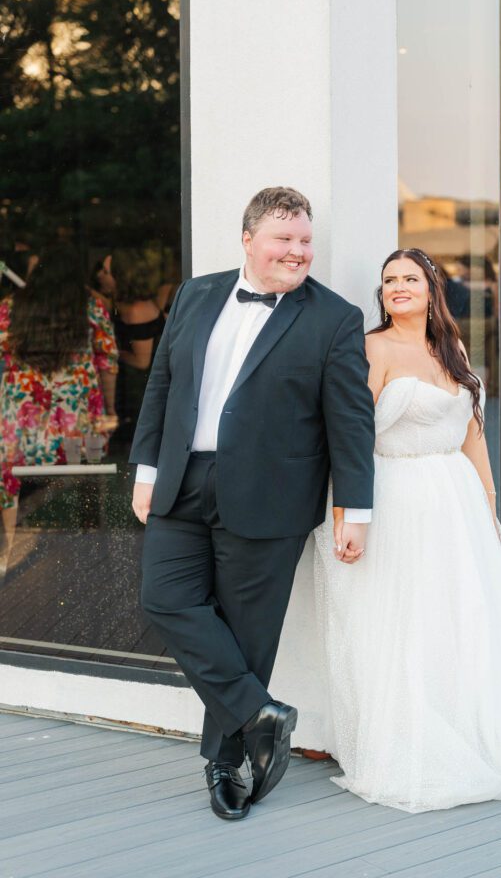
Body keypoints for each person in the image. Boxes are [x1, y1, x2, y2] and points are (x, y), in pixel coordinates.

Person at [314, 247, 501, 813]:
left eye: (410, 278)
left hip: (454, 499)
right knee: (405, 619)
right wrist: (346, 516)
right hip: (397, 497)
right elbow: (350, 439)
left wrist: (488, 500)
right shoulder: (372, 349)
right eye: (388, 280)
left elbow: (472, 431)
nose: (398, 287)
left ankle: (475, 724)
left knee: (464, 615)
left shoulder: (449, 348)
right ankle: (413, 738)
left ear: (433, 290)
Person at [131, 186, 375, 822]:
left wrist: (357, 509)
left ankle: (225, 761)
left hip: (271, 496)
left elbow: (351, 423)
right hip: (182, 480)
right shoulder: (195, 293)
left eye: (304, 240)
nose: (297, 251)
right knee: (164, 598)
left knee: (246, 634)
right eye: (283, 238)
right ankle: (263, 714)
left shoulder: (335, 318)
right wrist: (147, 467)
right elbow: (161, 384)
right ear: (248, 240)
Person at [0, 245, 118, 543]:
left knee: (9, 477)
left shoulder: (9, 307)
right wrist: (110, 409)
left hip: (22, 415)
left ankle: (9, 543)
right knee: (89, 475)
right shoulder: (92, 307)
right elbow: (107, 361)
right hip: (76, 416)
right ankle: (90, 537)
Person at [105, 247, 166, 443]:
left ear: (119, 277)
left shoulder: (137, 311)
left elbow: (141, 361)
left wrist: (110, 353)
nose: (100, 275)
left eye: (105, 272)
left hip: (140, 394)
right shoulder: (130, 304)